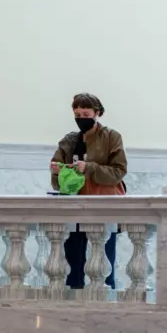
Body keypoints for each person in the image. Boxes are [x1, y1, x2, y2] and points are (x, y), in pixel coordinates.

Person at [49, 93, 128, 289]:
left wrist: (90, 168)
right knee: (72, 258)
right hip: (74, 204)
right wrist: (57, 171)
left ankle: (106, 299)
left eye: (85, 114)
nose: (81, 119)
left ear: (97, 113)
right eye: (77, 115)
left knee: (103, 259)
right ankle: (72, 299)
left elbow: (119, 172)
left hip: (104, 203)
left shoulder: (111, 137)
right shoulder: (69, 140)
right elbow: (58, 182)